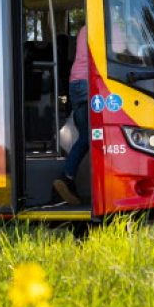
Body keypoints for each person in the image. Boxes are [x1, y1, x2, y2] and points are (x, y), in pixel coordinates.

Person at [53, 25, 88, 205]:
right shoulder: (110, 24)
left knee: (86, 136)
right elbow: (124, 54)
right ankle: (67, 177)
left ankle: (68, 178)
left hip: (76, 83)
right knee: (95, 136)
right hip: (90, 82)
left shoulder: (84, 29)